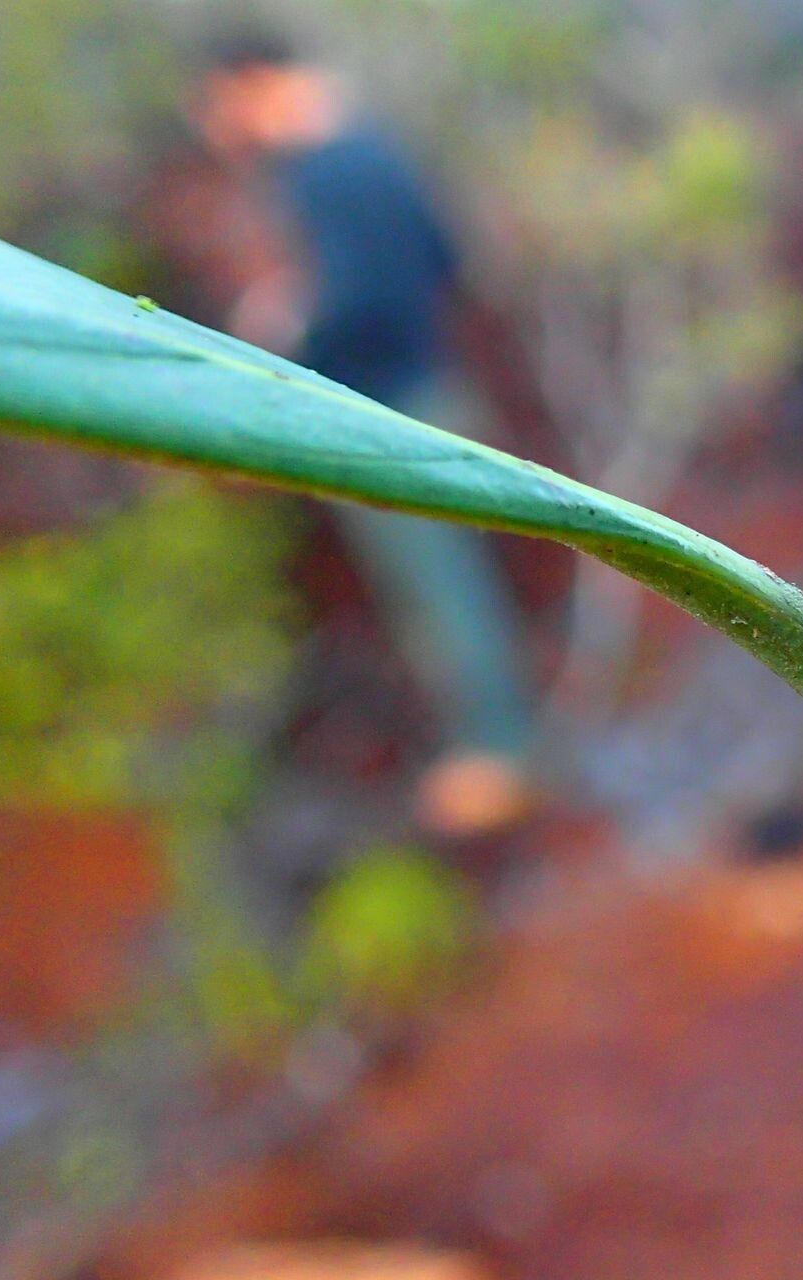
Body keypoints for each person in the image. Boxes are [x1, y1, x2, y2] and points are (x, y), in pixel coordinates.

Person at [195, 31, 536, 835]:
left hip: (382, 413)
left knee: (440, 591)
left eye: (217, 106)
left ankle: (502, 756)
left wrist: (289, 332)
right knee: (457, 577)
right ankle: (500, 743)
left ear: (249, 84)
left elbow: (357, 302)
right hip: (434, 387)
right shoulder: (374, 150)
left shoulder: (320, 170)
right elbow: (443, 258)